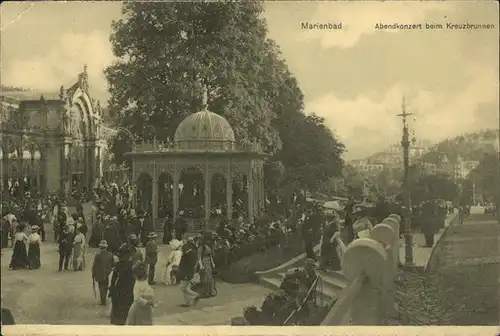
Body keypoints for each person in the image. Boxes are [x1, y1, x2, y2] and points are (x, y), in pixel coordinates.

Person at [109, 244, 135, 325]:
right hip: (129, 292)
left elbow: (113, 281)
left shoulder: (118, 265)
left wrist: (112, 290)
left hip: (118, 292)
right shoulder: (132, 265)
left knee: (118, 315)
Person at [177, 239, 200, 307]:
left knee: (183, 288)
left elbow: (189, 265)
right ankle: (188, 302)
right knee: (185, 288)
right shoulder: (192, 253)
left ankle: (195, 295)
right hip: (187, 272)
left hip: (186, 273)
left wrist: (186, 275)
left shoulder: (190, 254)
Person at [92, 240, 115, 306]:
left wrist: (93, 274)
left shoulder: (98, 255)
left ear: (100, 247)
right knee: (106, 286)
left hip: (100, 274)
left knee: (101, 286)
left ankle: (103, 300)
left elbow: (94, 265)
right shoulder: (110, 255)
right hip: (108, 273)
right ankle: (104, 299)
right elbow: (113, 264)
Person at [197, 232, 217, 298]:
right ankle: (205, 292)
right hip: (204, 262)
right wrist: (201, 265)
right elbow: (199, 257)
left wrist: (213, 263)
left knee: (210, 277)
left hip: (208, 262)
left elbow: (210, 255)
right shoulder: (201, 247)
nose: (209, 241)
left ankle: (210, 292)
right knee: (205, 277)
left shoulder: (208, 246)